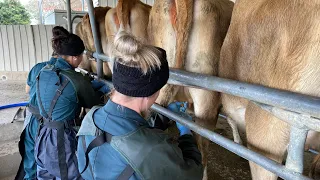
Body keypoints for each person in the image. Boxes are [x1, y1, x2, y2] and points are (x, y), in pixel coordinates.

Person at [77, 31, 203, 180]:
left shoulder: (91, 118)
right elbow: (193, 173)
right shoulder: (153, 149)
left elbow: (125, 130)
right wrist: (186, 134)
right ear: (149, 93)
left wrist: (161, 117)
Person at [34, 26, 108, 180]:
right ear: (74, 57)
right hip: (62, 141)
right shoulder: (76, 79)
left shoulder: (45, 71)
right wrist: (105, 88)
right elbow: (93, 102)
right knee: (71, 175)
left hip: (42, 136)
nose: (82, 59)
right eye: (82, 56)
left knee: (44, 175)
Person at [15, 27, 68, 180]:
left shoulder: (37, 67)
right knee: (52, 164)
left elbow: (27, 90)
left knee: (30, 161)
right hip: (51, 125)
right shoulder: (68, 74)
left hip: (31, 119)